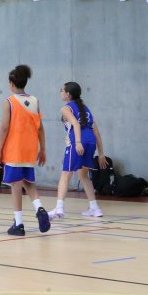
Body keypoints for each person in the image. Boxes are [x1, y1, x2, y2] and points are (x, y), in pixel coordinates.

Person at [0, 65, 51, 236]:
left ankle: (18, 224)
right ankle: (40, 208)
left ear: (11, 83)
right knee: (28, 182)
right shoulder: (35, 101)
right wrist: (43, 149)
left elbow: (4, 128)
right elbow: (40, 128)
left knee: (15, 185)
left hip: (15, 149)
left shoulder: (9, 101)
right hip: (30, 149)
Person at [47, 82, 108, 219]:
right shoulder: (85, 109)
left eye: (61, 90)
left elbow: (75, 123)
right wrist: (101, 153)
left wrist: (78, 143)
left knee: (65, 174)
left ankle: (59, 208)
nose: (60, 92)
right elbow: (97, 133)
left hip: (77, 143)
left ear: (68, 94)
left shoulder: (66, 108)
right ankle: (94, 208)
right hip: (91, 143)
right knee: (83, 176)